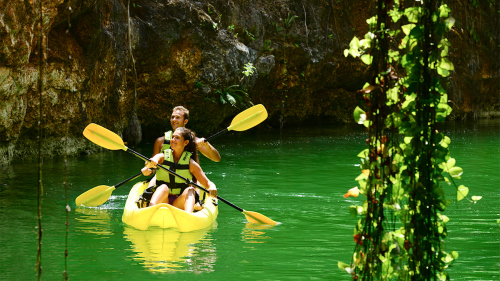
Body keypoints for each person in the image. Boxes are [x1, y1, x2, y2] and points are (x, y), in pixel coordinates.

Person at [139, 127, 217, 213]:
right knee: (163, 187)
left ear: (186, 142)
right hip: (163, 201)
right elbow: (154, 160)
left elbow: (207, 183)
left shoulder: (191, 163)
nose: (173, 139)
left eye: (177, 138)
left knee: (190, 190)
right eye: (173, 137)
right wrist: (150, 164)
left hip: (178, 203)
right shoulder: (163, 156)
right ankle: (150, 211)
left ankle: (188, 216)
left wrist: (212, 186)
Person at [151, 106, 220, 162]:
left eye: (177, 117)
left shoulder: (193, 140)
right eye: (172, 117)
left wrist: (207, 145)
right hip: (164, 178)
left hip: (186, 178)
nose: (174, 119)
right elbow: (152, 167)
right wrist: (149, 170)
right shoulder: (160, 141)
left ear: (185, 121)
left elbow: (216, 159)